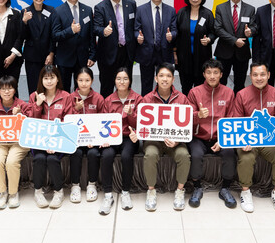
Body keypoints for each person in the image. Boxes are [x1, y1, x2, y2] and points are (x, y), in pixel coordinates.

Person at [231, 63, 275, 213]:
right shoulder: (242, 94)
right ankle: (245, 192)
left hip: (268, 139)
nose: (259, 78)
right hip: (248, 139)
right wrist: (243, 141)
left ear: (269, 75)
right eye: (255, 75)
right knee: (246, 158)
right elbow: (237, 121)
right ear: (250, 76)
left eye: (262, 74)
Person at [140, 63, 193, 211]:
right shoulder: (147, 99)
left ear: (173, 79)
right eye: (161, 76)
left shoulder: (182, 98)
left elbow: (188, 124)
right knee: (150, 155)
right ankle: (151, 191)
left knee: (184, 155)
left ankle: (180, 190)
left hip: (176, 141)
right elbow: (142, 125)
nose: (165, 79)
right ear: (156, 78)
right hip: (154, 141)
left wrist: (177, 141)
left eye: (168, 76)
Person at [186, 59, 237, 208]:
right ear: (204, 74)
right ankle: (197, 187)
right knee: (196, 155)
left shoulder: (228, 93)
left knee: (229, 152)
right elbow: (187, 117)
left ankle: (225, 188)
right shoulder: (194, 92)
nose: (212, 76)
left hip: (220, 137)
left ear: (221, 74)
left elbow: (231, 118)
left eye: (215, 72)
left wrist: (223, 139)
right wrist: (198, 115)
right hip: (199, 137)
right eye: (209, 72)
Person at [29, 65, 75, 208]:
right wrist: (37, 104)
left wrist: (54, 142)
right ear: (41, 80)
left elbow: (68, 122)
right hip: (39, 140)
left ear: (58, 79)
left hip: (59, 140)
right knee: (39, 158)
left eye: (52, 78)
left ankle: (59, 191)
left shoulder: (66, 96)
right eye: (46, 78)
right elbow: (31, 122)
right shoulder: (34, 96)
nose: (49, 81)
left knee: (52, 159)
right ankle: (38, 191)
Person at [99, 68, 143, 215]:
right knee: (106, 155)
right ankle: (108, 195)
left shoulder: (138, 99)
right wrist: (104, 139)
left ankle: (125, 192)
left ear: (130, 81)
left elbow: (142, 123)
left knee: (126, 156)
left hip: (129, 137)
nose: (122, 82)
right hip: (112, 138)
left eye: (125, 79)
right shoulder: (108, 100)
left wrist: (131, 115)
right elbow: (103, 122)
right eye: (118, 78)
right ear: (114, 81)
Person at [0, 75, 33, 209]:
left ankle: (13, 193)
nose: (6, 92)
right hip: (0, 143)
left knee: (11, 162)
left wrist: (20, 115)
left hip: (19, 142)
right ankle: (2, 193)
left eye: (9, 88)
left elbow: (31, 126)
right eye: (3, 89)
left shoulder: (23, 105)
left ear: (15, 89)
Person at [93, 0, 137, 97]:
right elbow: (95, 28)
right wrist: (104, 31)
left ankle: (125, 108)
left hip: (127, 53)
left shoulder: (131, 4)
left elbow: (135, 26)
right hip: (108, 54)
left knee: (126, 86)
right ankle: (106, 109)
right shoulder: (100, 7)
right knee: (107, 88)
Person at [68, 67, 106, 204]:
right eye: (80, 80)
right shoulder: (70, 98)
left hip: (93, 140)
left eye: (87, 80)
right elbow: (66, 120)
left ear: (92, 81)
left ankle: (92, 184)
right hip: (75, 140)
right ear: (76, 81)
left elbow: (103, 121)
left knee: (93, 153)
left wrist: (95, 139)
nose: (84, 84)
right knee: (75, 153)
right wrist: (76, 109)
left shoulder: (98, 98)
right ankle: (75, 186)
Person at [134, 0, 178, 96]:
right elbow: (136, 29)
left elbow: (175, 30)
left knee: (165, 84)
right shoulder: (141, 10)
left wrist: (171, 36)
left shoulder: (171, 10)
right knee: (146, 84)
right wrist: (138, 37)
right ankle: (145, 104)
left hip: (165, 52)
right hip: (146, 52)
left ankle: (164, 104)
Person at [51, 0, 95, 91]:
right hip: (64, 59)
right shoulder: (57, 11)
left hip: (82, 59)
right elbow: (55, 35)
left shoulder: (88, 10)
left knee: (81, 90)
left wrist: (92, 56)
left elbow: (91, 35)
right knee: (63, 91)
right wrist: (71, 31)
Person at [214, 0, 257, 92]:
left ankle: (238, 103)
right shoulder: (220, 8)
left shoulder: (250, 9)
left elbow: (254, 27)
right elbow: (218, 28)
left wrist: (250, 31)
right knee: (220, 83)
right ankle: (222, 103)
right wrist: (234, 40)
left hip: (242, 52)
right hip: (224, 51)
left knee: (240, 83)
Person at [174, 0, 216, 94]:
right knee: (185, 87)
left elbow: (213, 33)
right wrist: (174, 53)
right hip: (184, 57)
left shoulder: (207, 13)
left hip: (202, 57)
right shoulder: (181, 13)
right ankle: (187, 105)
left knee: (201, 88)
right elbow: (176, 34)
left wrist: (209, 39)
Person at [20, 0, 56, 96]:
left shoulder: (51, 10)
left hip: (48, 56)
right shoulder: (25, 12)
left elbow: (54, 35)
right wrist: (24, 22)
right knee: (34, 88)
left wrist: (51, 53)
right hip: (32, 57)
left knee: (49, 87)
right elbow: (22, 36)